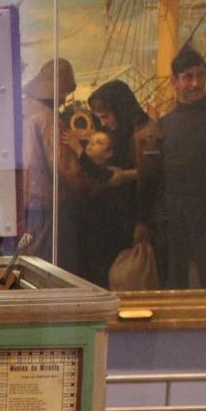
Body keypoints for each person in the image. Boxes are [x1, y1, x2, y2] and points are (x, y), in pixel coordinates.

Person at [65, 79, 155, 287]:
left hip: (130, 213)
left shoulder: (142, 132)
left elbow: (149, 174)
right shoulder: (115, 132)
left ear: (120, 109)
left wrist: (125, 175)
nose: (103, 123)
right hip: (109, 213)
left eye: (105, 116)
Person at [151, 46, 206, 288]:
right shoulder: (165, 125)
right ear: (175, 81)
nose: (196, 83)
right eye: (188, 77)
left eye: (201, 75)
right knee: (176, 276)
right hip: (175, 212)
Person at [20, 59, 84, 268]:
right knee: (50, 268)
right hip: (48, 206)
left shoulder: (24, 110)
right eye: (64, 93)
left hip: (25, 203)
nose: (64, 101)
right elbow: (65, 169)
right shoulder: (47, 118)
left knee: (30, 264)